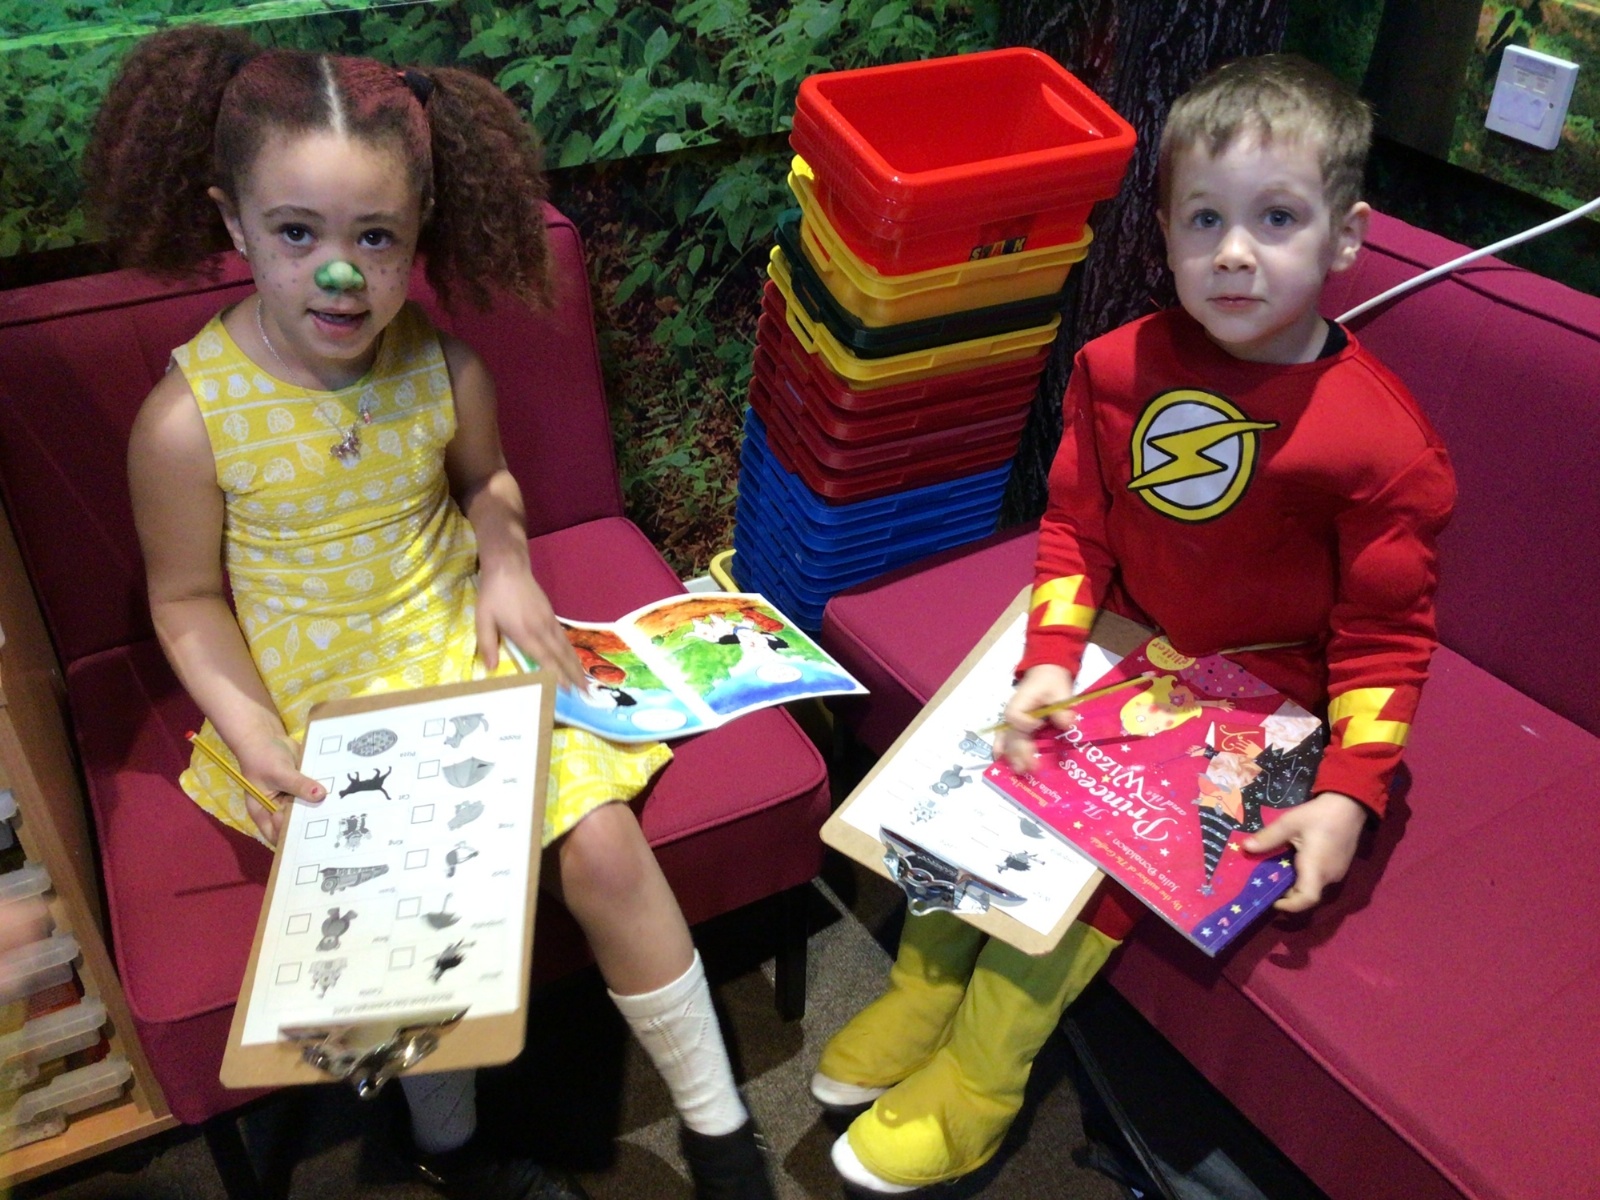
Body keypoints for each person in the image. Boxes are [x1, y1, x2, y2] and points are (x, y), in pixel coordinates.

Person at [88, 26, 773, 1200]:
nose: (338, 276)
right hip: (322, 699)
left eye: (374, 238)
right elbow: (185, 598)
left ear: (419, 236)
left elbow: (485, 482)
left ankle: (720, 1133)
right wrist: (250, 729)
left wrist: (507, 560)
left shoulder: (446, 368)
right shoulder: (185, 422)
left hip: (460, 643)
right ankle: (446, 1146)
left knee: (605, 845)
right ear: (232, 223)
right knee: (408, 914)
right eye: (297, 234)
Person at [810, 53, 1455, 1194]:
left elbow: (1384, 640)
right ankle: (923, 987)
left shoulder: (1380, 446)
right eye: (1204, 218)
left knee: (1102, 862)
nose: (1234, 251)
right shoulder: (1117, 370)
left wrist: (1350, 790)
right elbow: (1076, 529)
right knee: (987, 773)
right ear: (1163, 232)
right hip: (1122, 646)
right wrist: (1048, 660)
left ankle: (982, 1076)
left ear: (1346, 238)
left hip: (1259, 701)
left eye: (1276, 218)